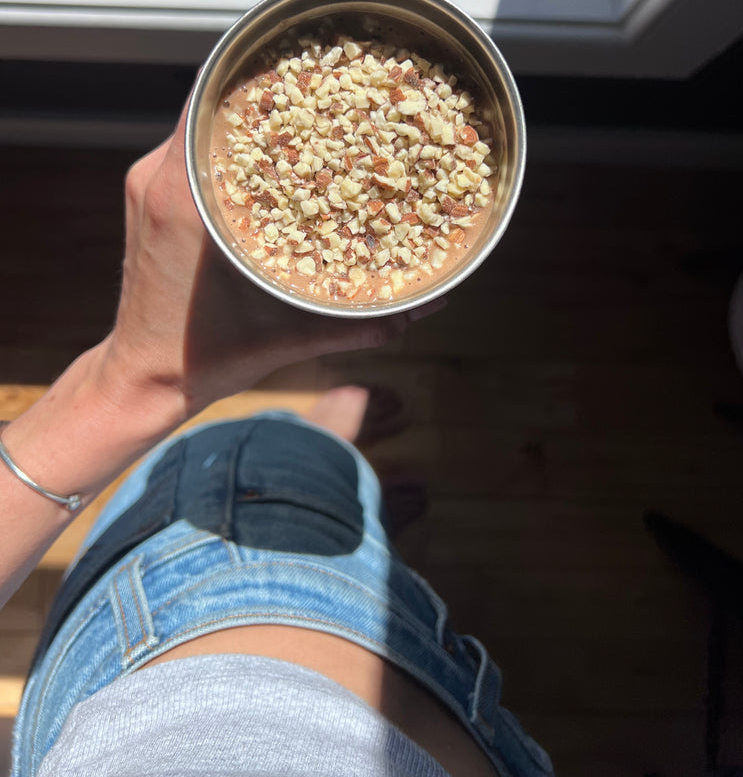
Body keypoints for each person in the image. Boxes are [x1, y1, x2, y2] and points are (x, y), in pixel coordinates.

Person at [0, 102, 554, 777]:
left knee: (254, 468)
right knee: (290, 472)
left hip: (152, 665)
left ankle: (339, 484)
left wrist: (127, 386)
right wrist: (126, 382)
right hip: (460, 728)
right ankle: (345, 489)